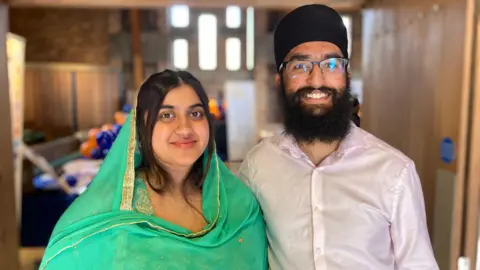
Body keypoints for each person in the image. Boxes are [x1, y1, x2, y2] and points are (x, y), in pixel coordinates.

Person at [238, 4, 438, 270]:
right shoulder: (258, 166)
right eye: (300, 65)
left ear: (347, 74)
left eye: (331, 64)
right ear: (281, 78)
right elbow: (243, 254)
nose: (317, 79)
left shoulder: (394, 171)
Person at [39, 70, 268, 270]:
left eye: (196, 113)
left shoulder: (239, 207)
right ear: (142, 128)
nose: (185, 128)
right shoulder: (107, 209)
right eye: (166, 115)